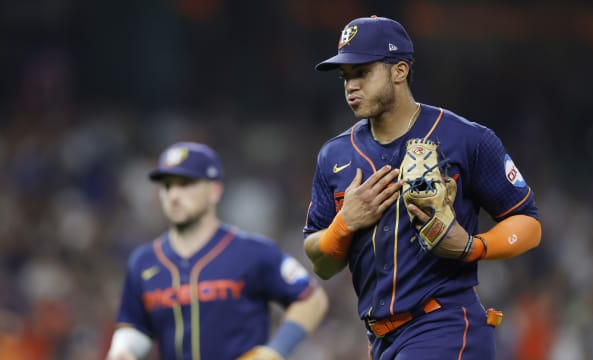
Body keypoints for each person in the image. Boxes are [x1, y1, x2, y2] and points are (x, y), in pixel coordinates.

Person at [303, 16, 542, 360]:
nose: (351, 86)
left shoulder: (465, 138)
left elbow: (529, 224)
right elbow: (322, 265)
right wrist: (345, 223)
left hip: (444, 324)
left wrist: (473, 247)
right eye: (345, 77)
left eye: (362, 72)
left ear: (399, 71)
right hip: (381, 341)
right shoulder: (334, 156)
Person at [106, 141, 328, 360]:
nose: (173, 195)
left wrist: (275, 351)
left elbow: (311, 299)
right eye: (167, 185)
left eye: (185, 184)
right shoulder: (144, 261)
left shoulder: (252, 252)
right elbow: (135, 326)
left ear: (214, 191)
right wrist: (124, 350)